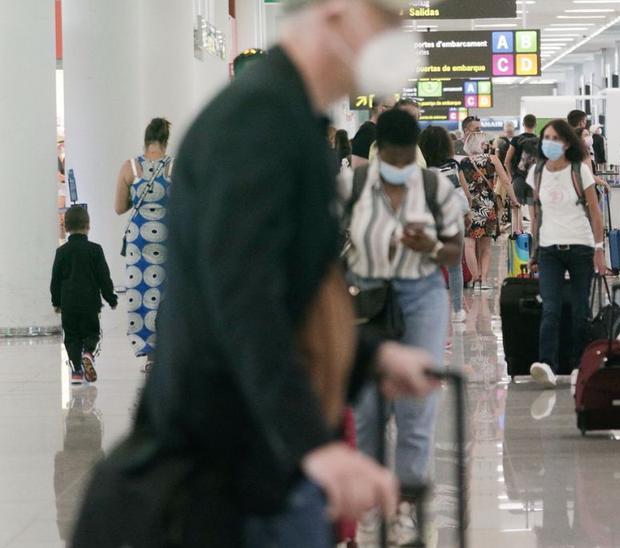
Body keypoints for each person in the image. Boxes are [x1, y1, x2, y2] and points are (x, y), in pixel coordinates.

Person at [71, 2, 439, 544]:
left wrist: (371, 355)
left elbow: (288, 296)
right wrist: (316, 445)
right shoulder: (256, 122)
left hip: (261, 459)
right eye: (380, 29)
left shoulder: (289, 117)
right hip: (230, 474)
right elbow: (241, 299)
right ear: (335, 14)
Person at [343, 108, 465, 542]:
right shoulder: (353, 186)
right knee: (368, 404)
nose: (397, 167)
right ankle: (377, 503)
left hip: (422, 295)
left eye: (403, 159)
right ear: (378, 152)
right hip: (365, 296)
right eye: (390, 159)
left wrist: (431, 245)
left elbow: (455, 250)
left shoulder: (434, 186)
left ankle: (407, 506)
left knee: (417, 399)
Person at [526, 119, 610, 388]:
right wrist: (535, 251)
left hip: (580, 246)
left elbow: (595, 213)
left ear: (566, 142)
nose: (548, 142)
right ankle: (547, 364)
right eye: (545, 137)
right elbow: (536, 214)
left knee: (579, 309)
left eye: (554, 137)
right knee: (549, 308)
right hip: (549, 249)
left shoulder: (579, 170)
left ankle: (578, 365)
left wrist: (599, 249)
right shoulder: (536, 173)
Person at [113, 117, 173, 373]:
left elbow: (119, 208)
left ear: (146, 140)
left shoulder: (131, 168)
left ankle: (150, 353)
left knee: (141, 294)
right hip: (166, 238)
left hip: (138, 241)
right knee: (165, 293)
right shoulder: (173, 168)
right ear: (165, 142)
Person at [51, 206, 118, 385]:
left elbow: (55, 280)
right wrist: (111, 298)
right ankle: (88, 353)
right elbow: (104, 277)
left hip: (69, 302)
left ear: (66, 227)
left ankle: (76, 371)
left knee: (72, 337)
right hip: (90, 302)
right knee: (91, 332)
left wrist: (56, 302)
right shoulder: (95, 250)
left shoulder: (61, 252)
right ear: (88, 225)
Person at [421, 125, 472, 322]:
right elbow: (463, 192)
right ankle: (458, 310)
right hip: (454, 218)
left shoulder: (422, 168)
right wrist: (468, 214)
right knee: (455, 267)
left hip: (431, 221)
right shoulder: (453, 165)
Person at [459, 115, 514, 290]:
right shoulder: (492, 159)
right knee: (486, 245)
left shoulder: (463, 162)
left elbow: (461, 185)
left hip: (469, 205)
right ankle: (483, 280)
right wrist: (514, 200)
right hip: (487, 206)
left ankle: (474, 279)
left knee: (469, 242)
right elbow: (505, 181)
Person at [351, 95, 396, 167]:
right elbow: (358, 168)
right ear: (381, 108)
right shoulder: (366, 132)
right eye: (393, 108)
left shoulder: (382, 131)